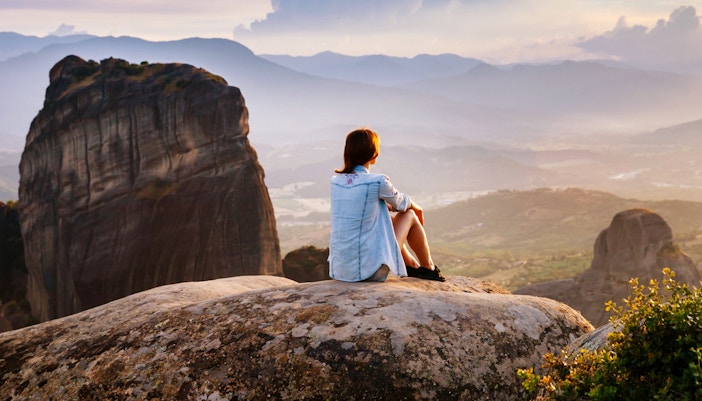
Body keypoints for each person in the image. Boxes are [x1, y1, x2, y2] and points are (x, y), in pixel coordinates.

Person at [328, 128, 445, 282]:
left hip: (341, 271)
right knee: (409, 215)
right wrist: (418, 208)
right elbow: (402, 203)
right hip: (369, 272)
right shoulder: (378, 181)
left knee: (386, 216)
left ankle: (411, 265)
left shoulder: (336, 181)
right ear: (374, 153)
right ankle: (428, 268)